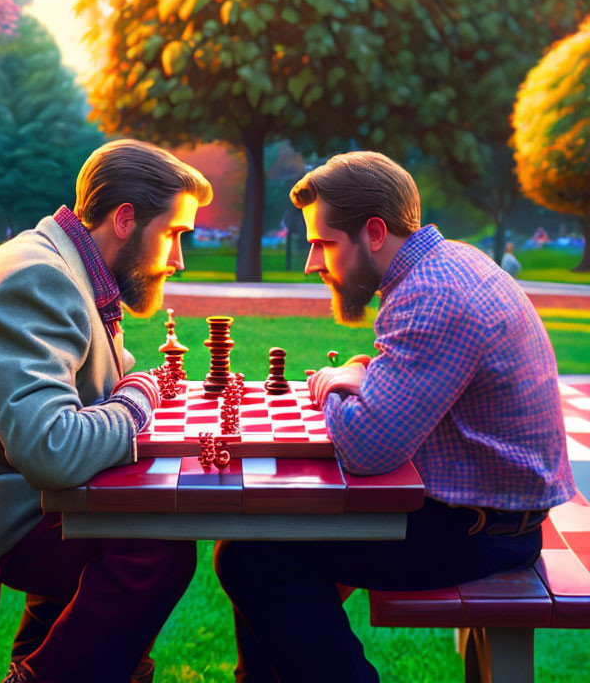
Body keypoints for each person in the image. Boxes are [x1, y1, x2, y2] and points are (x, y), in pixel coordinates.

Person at [214, 151, 574, 682]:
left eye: (323, 243)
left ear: (374, 232)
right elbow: (398, 385)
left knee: (253, 558)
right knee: (262, 538)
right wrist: (362, 374)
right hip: (492, 510)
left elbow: (365, 449)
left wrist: (331, 389)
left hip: (481, 529)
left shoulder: (432, 295)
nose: (313, 263)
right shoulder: (447, 264)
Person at [0, 139, 213, 683]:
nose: (178, 259)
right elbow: (52, 449)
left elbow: (97, 384)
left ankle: (47, 666)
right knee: (155, 549)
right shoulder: (37, 279)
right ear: (125, 219)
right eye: (173, 235)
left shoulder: (66, 268)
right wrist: (138, 402)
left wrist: (129, 394)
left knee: (127, 524)